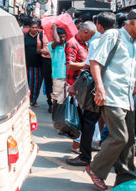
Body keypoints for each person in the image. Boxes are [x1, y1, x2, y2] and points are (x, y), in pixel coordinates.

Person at [85, 9, 136, 191]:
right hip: (110, 96)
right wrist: (100, 87)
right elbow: (95, 62)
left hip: (127, 99)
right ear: (131, 22)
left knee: (129, 140)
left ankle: (126, 178)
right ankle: (95, 169)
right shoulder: (113, 35)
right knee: (120, 137)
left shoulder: (135, 45)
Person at [67, 12, 115, 167]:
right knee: (115, 126)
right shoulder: (123, 41)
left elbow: (88, 67)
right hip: (116, 90)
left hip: (97, 89)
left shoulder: (97, 43)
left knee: (88, 122)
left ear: (99, 26)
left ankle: (85, 156)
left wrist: (74, 86)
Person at [65, 21, 96, 152]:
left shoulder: (85, 44)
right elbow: (69, 64)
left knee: (83, 115)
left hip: (83, 84)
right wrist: (86, 64)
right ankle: (76, 143)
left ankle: (83, 142)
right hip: (74, 84)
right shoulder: (72, 43)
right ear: (85, 32)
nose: (91, 38)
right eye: (91, 35)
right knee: (77, 115)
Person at [24, 20, 46, 107]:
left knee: (37, 83)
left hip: (39, 63)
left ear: (38, 28)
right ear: (29, 28)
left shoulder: (41, 37)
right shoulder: (25, 36)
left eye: (36, 27)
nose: (34, 29)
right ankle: (27, 100)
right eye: (32, 27)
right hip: (27, 63)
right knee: (28, 83)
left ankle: (34, 100)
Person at [48, 25, 67, 105]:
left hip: (68, 76)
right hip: (58, 76)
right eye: (60, 37)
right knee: (58, 99)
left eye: (64, 37)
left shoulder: (68, 45)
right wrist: (54, 28)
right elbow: (57, 41)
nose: (62, 39)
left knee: (66, 99)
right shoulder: (51, 45)